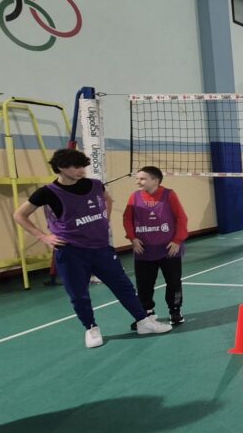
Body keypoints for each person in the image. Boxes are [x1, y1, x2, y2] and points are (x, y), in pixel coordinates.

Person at [13, 149, 172, 348]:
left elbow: (108, 199)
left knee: (124, 286)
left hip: (101, 249)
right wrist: (43, 236)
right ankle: (91, 328)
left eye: (83, 166)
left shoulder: (95, 185)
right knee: (79, 293)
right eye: (77, 167)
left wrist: (104, 219)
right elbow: (19, 215)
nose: (82, 170)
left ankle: (144, 322)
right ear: (62, 168)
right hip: (71, 252)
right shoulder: (47, 192)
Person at [123, 166, 188, 328]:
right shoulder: (134, 197)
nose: (138, 181)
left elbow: (181, 218)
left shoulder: (169, 195)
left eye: (142, 178)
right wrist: (133, 238)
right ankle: (147, 313)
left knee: (173, 282)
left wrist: (177, 240)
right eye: (137, 178)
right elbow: (127, 219)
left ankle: (175, 311)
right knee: (144, 284)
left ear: (155, 181)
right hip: (144, 250)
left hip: (169, 249)